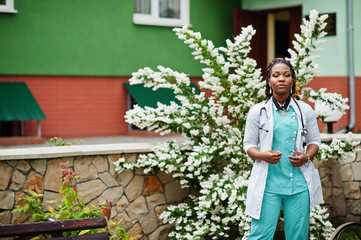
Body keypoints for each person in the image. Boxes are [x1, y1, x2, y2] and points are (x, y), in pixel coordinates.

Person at [243, 58, 324, 239]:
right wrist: (262, 155)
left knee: (298, 236)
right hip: (268, 184)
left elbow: (314, 141)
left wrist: (306, 157)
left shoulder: (305, 110)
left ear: (293, 80)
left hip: (298, 184)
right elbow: (248, 144)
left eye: (287, 75)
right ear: (269, 80)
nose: (281, 79)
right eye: (276, 75)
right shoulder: (258, 111)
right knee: (260, 235)